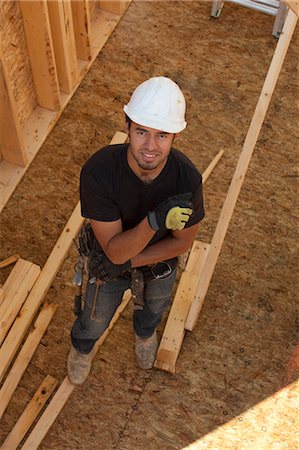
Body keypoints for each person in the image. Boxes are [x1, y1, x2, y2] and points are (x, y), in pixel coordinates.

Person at [67, 76, 205, 385]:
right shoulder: (99, 173)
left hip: (157, 265)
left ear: (175, 137)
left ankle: (144, 335)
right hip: (110, 262)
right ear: (127, 126)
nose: (151, 146)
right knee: (94, 318)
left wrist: (131, 261)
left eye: (162, 135)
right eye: (142, 131)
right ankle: (82, 347)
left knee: (153, 309)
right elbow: (114, 250)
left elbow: (182, 242)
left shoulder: (187, 180)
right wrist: (155, 221)